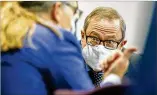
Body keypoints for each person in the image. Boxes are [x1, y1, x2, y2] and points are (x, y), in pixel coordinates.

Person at [1, 1, 136, 95]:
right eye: (74, 14)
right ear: (57, 10)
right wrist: (113, 78)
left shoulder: (9, 32)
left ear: (122, 44)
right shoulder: (54, 38)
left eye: (110, 42)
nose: (100, 47)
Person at [81, 7, 140, 87]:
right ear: (83, 36)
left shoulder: (138, 67)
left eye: (110, 42)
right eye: (94, 38)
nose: (100, 49)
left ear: (121, 45)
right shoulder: (68, 59)